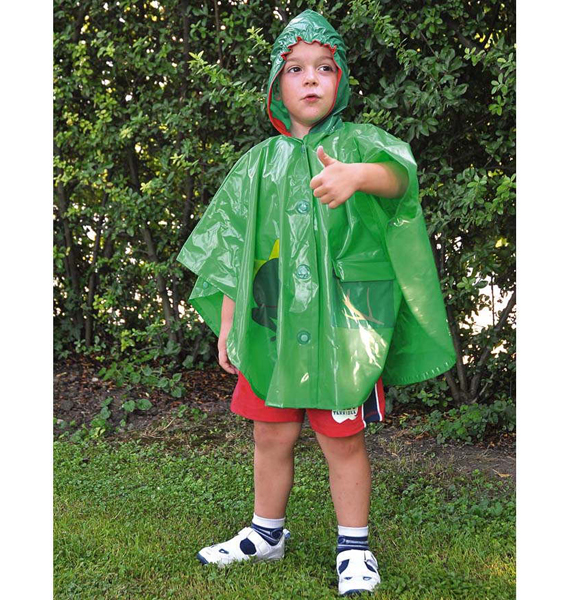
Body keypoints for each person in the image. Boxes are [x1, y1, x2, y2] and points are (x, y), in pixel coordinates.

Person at [176, 9, 455, 597]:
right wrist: (229, 322)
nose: (310, 78)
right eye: (296, 69)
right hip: (271, 330)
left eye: (324, 68)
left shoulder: (357, 145)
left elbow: (400, 178)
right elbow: (232, 248)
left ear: (340, 80)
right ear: (276, 86)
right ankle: (265, 533)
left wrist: (358, 176)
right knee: (270, 434)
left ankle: (354, 546)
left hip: (342, 331)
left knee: (341, 439)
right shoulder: (257, 164)